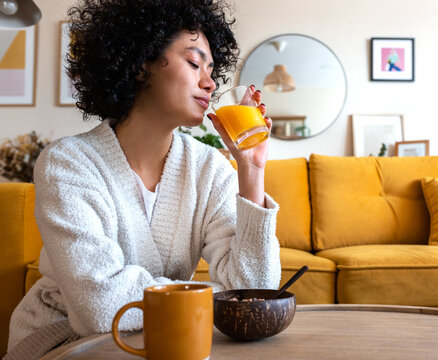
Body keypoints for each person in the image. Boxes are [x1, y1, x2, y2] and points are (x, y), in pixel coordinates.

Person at [4, 0, 281, 358]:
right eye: (195, 63)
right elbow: (99, 307)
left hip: (166, 336)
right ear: (140, 65)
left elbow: (253, 292)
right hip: (64, 340)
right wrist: (213, 294)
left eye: (212, 69)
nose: (210, 82)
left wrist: (251, 170)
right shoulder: (68, 163)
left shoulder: (209, 168)